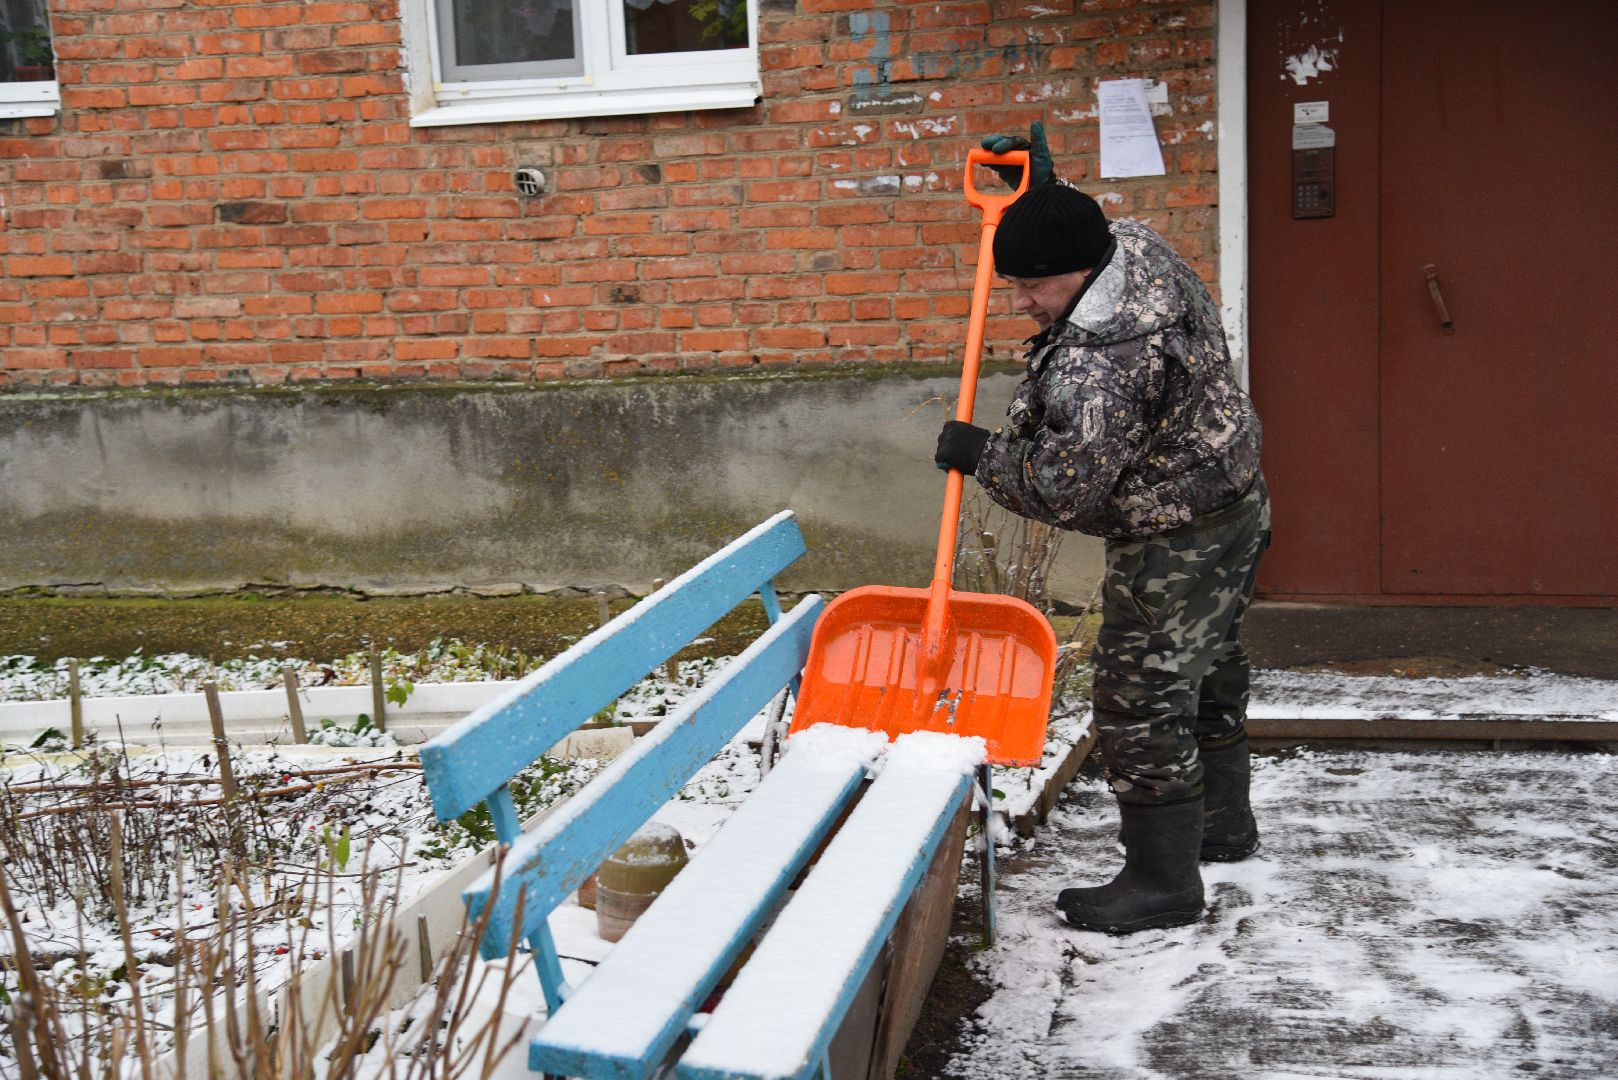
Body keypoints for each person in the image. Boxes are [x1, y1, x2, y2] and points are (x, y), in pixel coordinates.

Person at [935, 122, 1270, 934]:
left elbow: (1063, 493)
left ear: (1079, 273)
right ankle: (1223, 826)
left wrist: (981, 454)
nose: (1021, 302)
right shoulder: (1133, 248)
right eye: (1011, 283)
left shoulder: (1103, 365)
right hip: (1235, 498)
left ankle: (1163, 883)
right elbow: (1084, 223)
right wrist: (1046, 190)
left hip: (1174, 535)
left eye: (1034, 287)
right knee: (1209, 664)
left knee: (1140, 699)